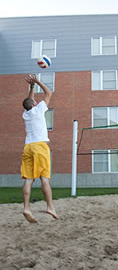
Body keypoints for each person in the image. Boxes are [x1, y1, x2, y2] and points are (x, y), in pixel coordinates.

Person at [21, 74, 58, 223]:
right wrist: (37, 82)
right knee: (45, 179)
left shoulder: (26, 114)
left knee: (29, 180)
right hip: (40, 146)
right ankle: (50, 206)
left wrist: (31, 88)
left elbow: (29, 101)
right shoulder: (39, 109)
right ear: (35, 104)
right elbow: (49, 93)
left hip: (28, 147)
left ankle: (26, 208)